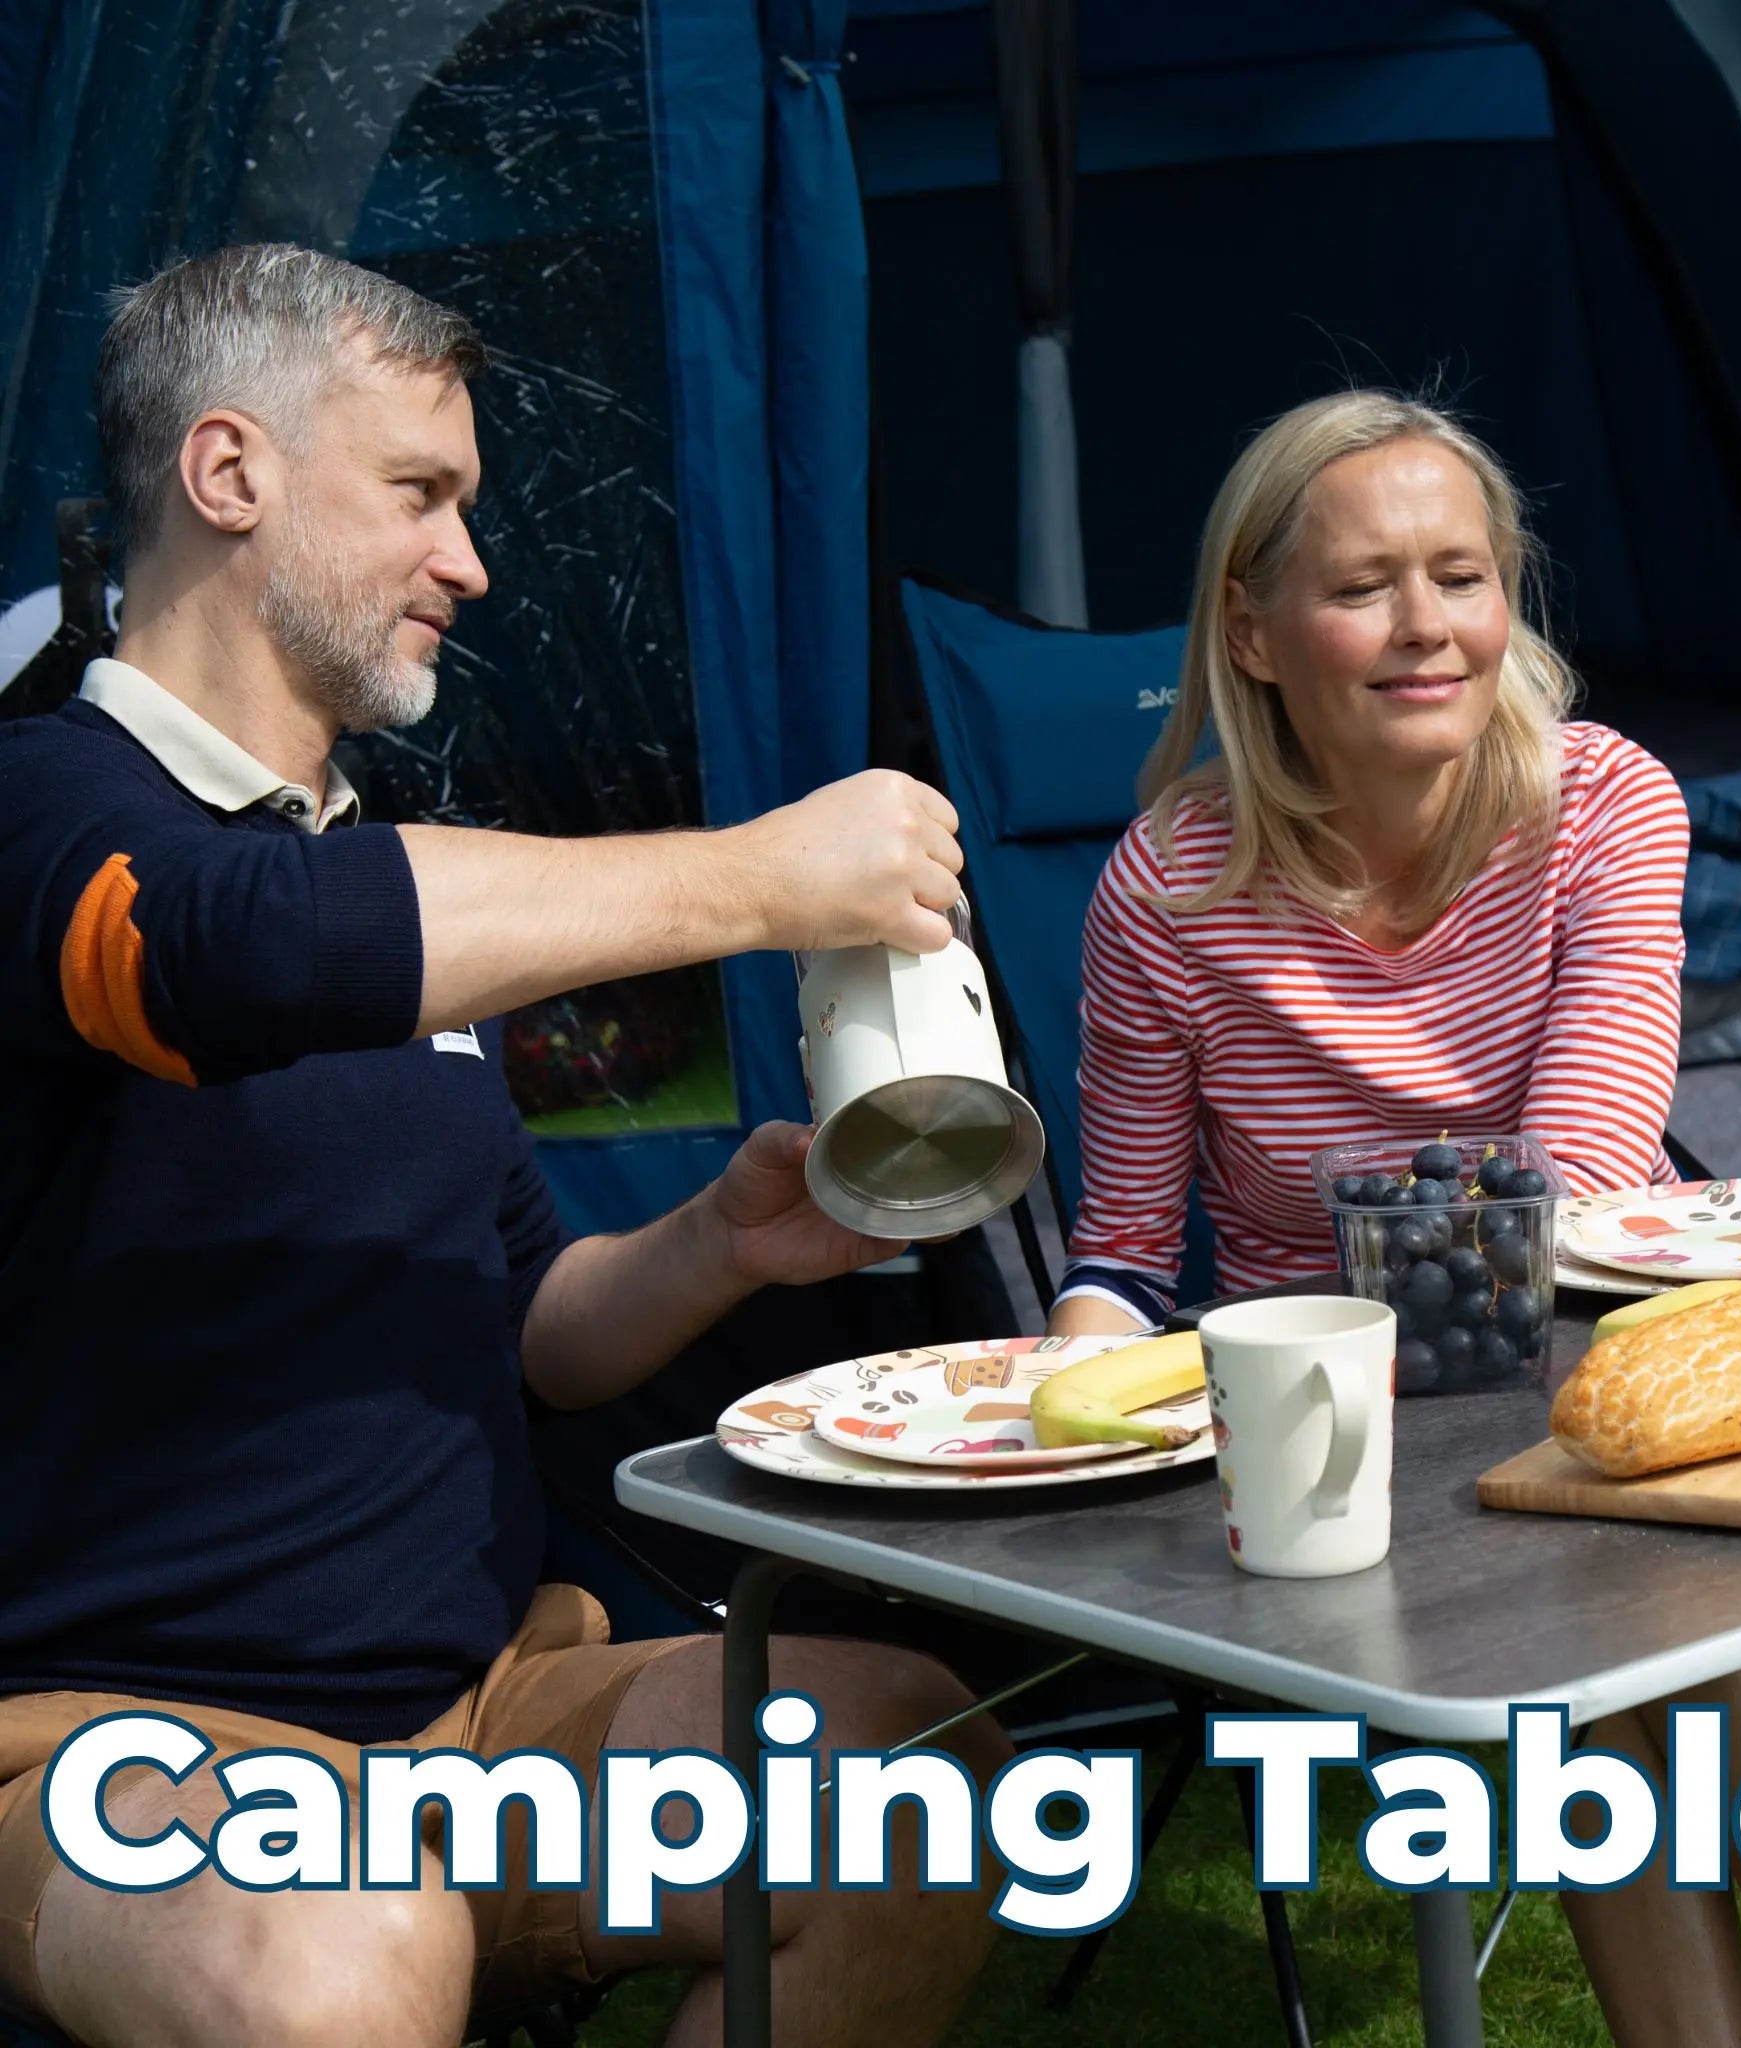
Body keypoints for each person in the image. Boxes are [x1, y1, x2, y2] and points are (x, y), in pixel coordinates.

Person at [0, 245, 1007, 2048]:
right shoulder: (44, 809)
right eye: (422, 495)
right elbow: (216, 953)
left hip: (476, 1709)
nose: (468, 561)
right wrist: (763, 872)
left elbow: (526, 1307)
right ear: (228, 475)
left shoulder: (380, 876)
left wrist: (717, 1240)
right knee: (335, 1946)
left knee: (910, 1775)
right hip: (85, 1733)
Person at [1046, 392, 1741, 2047]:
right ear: (1250, 634)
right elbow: (1118, 1248)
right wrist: (1041, 1408)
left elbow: (1591, 1162)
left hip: (1609, 1345)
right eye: (1365, 586)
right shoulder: (1168, 892)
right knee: (1629, 1551)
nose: (1427, 630)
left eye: (1462, 577)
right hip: (1343, 1436)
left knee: (1624, 1517)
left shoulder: (1602, 804)